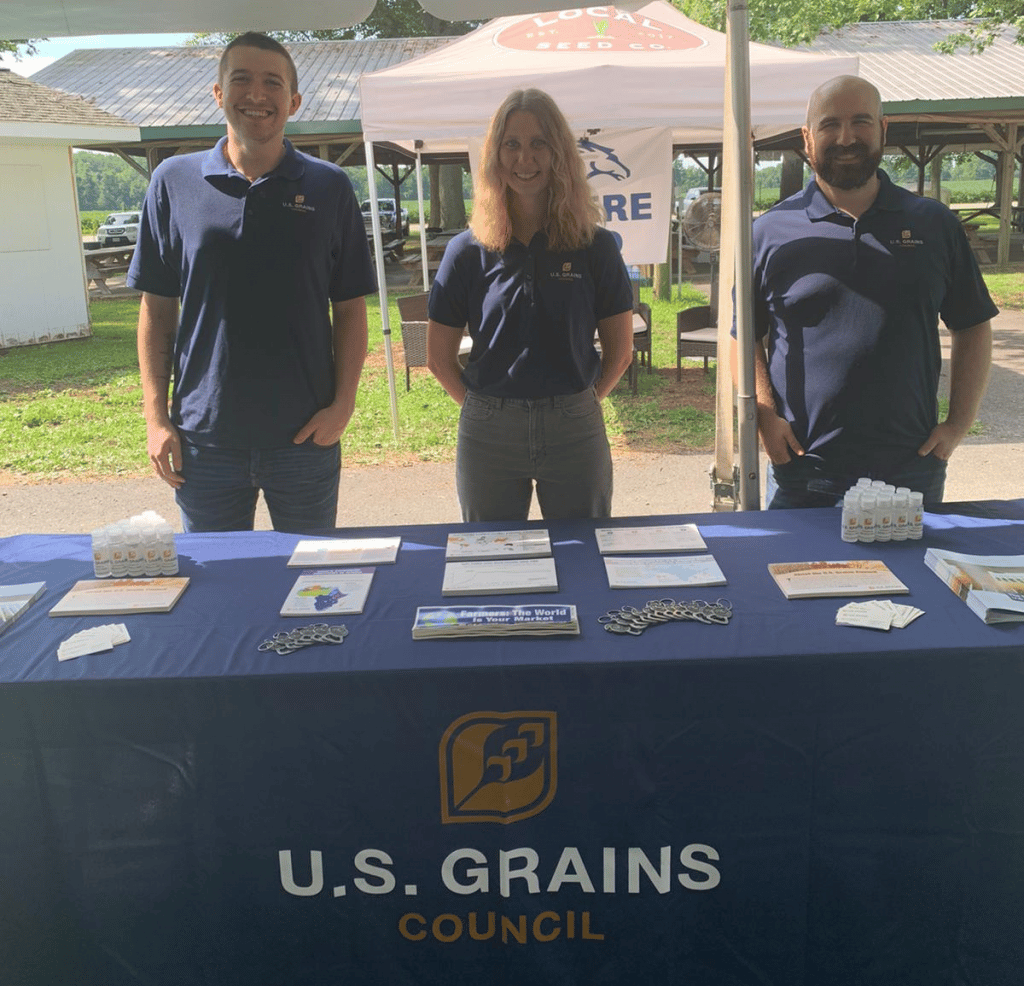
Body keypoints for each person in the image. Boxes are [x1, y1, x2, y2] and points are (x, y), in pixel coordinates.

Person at [128, 32, 376, 532]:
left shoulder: (329, 187)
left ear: (294, 100)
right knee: (219, 590)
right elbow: (157, 309)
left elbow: (350, 308)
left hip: (306, 439)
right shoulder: (173, 182)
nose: (257, 95)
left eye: (273, 83)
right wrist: (156, 419)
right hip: (204, 440)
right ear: (218, 93)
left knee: (311, 585)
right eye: (241, 80)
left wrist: (343, 406)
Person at [737, 74, 996, 509]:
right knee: (795, 576)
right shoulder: (769, 232)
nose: (845, 137)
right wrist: (765, 412)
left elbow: (972, 325)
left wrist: (958, 423)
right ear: (807, 137)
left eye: (860, 121)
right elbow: (742, 336)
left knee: (910, 578)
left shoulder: (935, 225)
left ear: (883, 129)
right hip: (803, 465)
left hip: (910, 466)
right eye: (829, 124)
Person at [426, 87, 635, 522]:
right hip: (489, 434)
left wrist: (581, 404)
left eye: (540, 143)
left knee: (586, 556)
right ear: (494, 156)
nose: (526, 159)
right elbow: (438, 359)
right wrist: (483, 411)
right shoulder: (467, 250)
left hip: (574, 426)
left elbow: (620, 353)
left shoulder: (592, 246)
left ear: (559, 153)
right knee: (493, 561)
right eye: (512, 144)